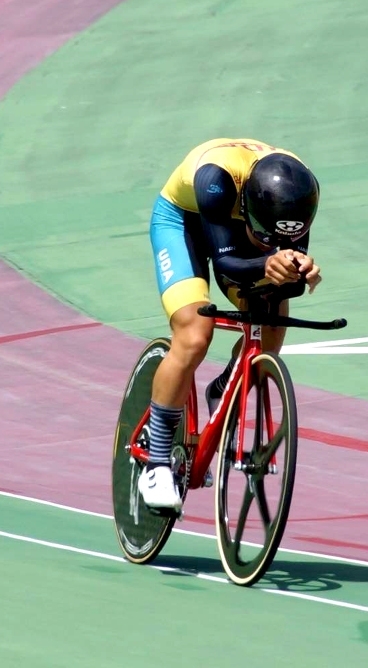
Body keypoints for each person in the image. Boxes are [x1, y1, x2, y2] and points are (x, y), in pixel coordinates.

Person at [141, 138, 323, 509]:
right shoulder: (217, 180)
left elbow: (287, 277)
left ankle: (222, 388)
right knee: (195, 333)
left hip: (243, 227)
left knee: (271, 322)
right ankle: (156, 460)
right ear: (247, 205)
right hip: (185, 221)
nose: (270, 243)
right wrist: (265, 262)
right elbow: (226, 264)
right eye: (266, 236)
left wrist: (300, 272)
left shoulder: (299, 193)